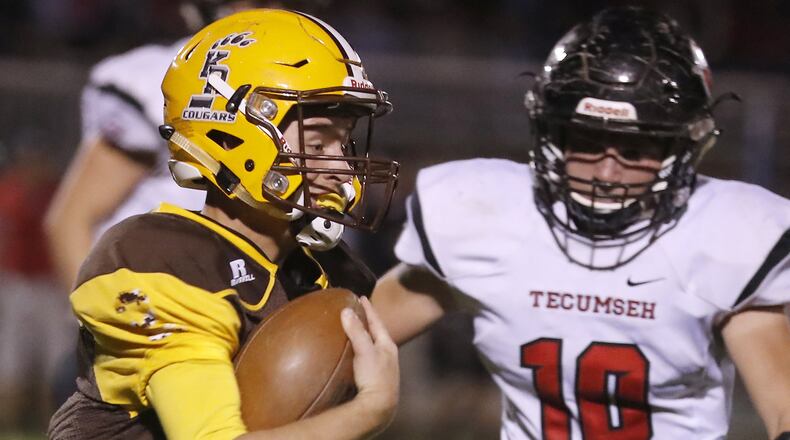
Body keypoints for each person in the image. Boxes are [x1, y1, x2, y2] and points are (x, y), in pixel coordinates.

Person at [372, 6, 790, 440]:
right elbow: (349, 344)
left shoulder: (721, 237)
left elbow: (784, 408)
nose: (606, 174)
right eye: (588, 141)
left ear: (682, 147)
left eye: (635, 150)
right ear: (552, 133)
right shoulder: (487, 220)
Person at [48, 9, 400, 439]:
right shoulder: (164, 265)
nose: (341, 168)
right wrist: (369, 411)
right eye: (317, 143)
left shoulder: (323, 271)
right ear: (233, 136)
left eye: (343, 143)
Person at [43, 0, 272, 291]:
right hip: (150, 296)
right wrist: (100, 312)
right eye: (259, 3)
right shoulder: (165, 76)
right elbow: (72, 221)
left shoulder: (304, 75)